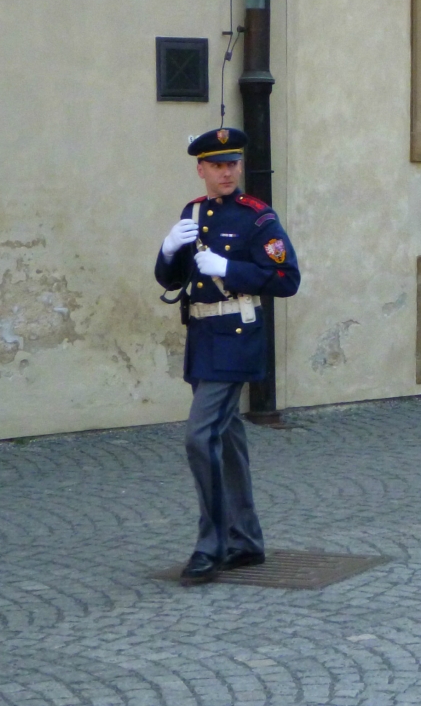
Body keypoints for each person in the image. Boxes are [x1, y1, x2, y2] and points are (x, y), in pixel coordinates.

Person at [155, 127, 301, 584]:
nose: (227, 172)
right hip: (203, 337)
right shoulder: (193, 212)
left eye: (232, 163)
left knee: (200, 437)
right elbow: (173, 280)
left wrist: (231, 269)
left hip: (236, 338)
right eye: (217, 165)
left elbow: (287, 279)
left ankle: (211, 545)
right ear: (201, 169)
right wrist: (167, 251)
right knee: (227, 439)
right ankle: (245, 539)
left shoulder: (258, 218)